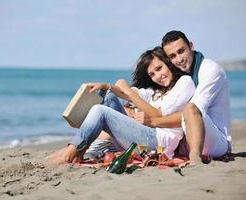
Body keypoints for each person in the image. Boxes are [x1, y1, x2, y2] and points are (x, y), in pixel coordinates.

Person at [47, 46, 195, 165]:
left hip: (157, 143)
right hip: (144, 135)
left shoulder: (184, 83)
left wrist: (129, 93)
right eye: (152, 74)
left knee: (100, 111)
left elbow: (157, 114)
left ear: (168, 63)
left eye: (159, 68)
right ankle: (79, 140)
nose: (158, 76)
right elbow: (125, 92)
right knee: (108, 95)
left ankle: (74, 150)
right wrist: (106, 86)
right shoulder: (156, 91)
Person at [145, 31, 231, 166]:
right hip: (190, 135)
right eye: (172, 56)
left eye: (181, 51)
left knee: (191, 108)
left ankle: (195, 158)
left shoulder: (210, 70)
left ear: (191, 46)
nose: (179, 59)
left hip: (217, 141)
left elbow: (195, 112)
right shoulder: (183, 74)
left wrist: (154, 121)